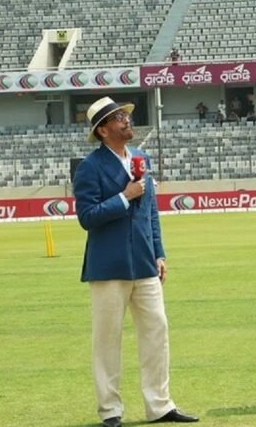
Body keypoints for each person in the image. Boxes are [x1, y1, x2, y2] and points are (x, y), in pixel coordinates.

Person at [73, 97, 198, 427]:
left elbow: (151, 212)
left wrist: (159, 252)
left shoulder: (142, 159)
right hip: (108, 266)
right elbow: (86, 217)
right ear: (103, 130)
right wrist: (123, 197)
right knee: (107, 341)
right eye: (118, 117)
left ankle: (160, 405)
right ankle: (110, 410)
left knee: (157, 332)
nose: (126, 120)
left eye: (125, 115)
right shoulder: (89, 167)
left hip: (144, 263)